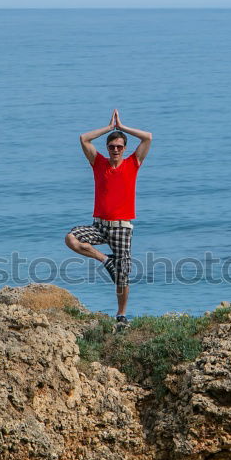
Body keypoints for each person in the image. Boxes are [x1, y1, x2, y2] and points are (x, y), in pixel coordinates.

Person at [65, 109, 152, 325]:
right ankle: (106, 260)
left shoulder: (133, 163)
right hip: (99, 226)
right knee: (71, 239)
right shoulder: (99, 164)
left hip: (122, 228)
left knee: (122, 277)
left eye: (119, 147)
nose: (115, 150)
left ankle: (121, 315)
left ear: (124, 148)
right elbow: (83, 138)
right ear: (107, 148)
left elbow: (147, 137)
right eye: (112, 146)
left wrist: (121, 127)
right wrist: (109, 127)